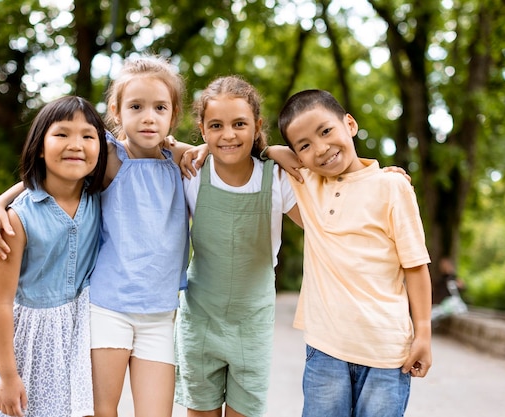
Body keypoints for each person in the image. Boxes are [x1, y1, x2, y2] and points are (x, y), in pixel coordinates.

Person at [0, 55, 191, 417]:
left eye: (160, 107)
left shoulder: (183, 162)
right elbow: (57, 170)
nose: (149, 116)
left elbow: (235, 157)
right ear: (116, 111)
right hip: (107, 307)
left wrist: (272, 152)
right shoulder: (108, 156)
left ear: (174, 114)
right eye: (136, 106)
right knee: (99, 411)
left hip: (160, 311)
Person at [277, 89, 433, 417]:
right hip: (326, 350)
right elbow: (245, 151)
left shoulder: (392, 187)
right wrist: (275, 150)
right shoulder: (306, 185)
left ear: (349, 123)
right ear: (298, 157)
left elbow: (416, 266)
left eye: (326, 131)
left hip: (387, 353)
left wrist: (424, 334)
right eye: (304, 146)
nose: (320, 148)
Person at [0, 95, 109, 417]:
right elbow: (0, 302)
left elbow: (145, 143)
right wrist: (7, 376)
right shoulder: (17, 219)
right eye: (62, 134)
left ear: (101, 148)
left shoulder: (100, 197)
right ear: (40, 146)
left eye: (88, 136)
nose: (76, 144)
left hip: (78, 333)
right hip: (29, 342)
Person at [174, 75, 304, 417]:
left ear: (257, 125)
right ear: (202, 130)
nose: (228, 134)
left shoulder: (276, 178)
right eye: (216, 125)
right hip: (200, 319)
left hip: (253, 323)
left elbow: (325, 222)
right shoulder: (191, 176)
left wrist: (378, 177)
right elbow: (141, 147)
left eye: (239, 124)